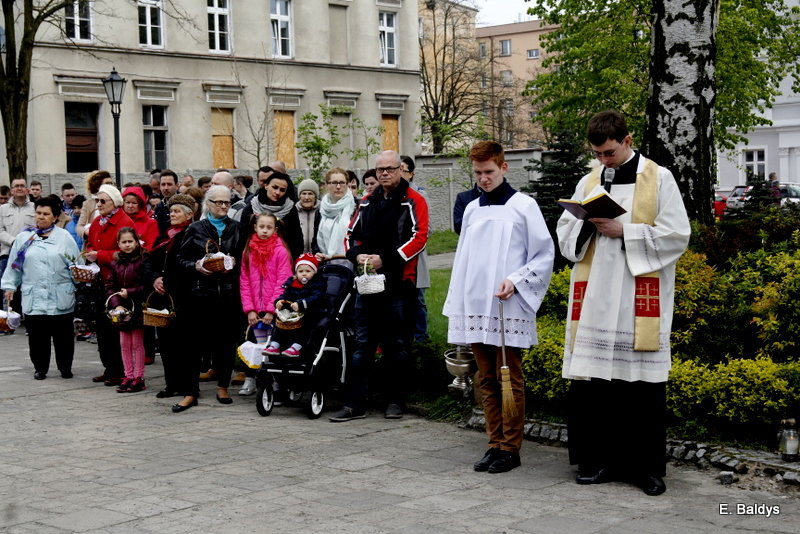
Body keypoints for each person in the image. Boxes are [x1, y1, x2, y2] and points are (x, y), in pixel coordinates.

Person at [557, 110, 690, 496]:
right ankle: (597, 462)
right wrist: (584, 222)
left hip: (637, 296)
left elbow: (677, 235)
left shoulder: (659, 178)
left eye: (610, 152)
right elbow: (566, 234)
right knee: (598, 386)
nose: (603, 161)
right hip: (597, 295)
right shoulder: (589, 179)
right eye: (598, 154)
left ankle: (645, 469)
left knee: (641, 388)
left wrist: (624, 231)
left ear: (628, 141)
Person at [445, 140, 554, 473]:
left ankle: (511, 446)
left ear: (503, 167)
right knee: (486, 377)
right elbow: (464, 259)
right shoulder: (473, 209)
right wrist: (460, 298)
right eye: (477, 173)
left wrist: (517, 279)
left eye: (489, 172)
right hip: (478, 302)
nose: (483, 179)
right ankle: (494, 442)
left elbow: (544, 254)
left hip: (508, 303)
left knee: (509, 377)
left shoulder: (524, 206)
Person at [331, 150, 429, 422]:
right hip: (366, 284)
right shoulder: (366, 202)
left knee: (396, 345)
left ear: (401, 170)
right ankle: (354, 404)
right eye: (380, 169)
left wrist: (385, 259)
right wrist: (357, 256)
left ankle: (395, 401)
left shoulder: (415, 200)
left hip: (399, 285)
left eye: (390, 168)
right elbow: (350, 235)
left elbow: (420, 237)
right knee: (362, 345)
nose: (384, 173)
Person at [173, 185, 246, 411]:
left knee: (225, 343)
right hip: (200, 294)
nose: (224, 206)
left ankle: (222, 386)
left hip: (228, 294)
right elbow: (180, 260)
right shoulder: (196, 229)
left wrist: (233, 265)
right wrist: (196, 266)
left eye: (227, 203)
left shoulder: (238, 228)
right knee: (193, 345)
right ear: (208, 204)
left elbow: (245, 259)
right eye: (219, 202)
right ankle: (190, 391)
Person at [1, 195, 79, 379]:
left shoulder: (65, 237)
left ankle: (65, 367)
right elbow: (14, 265)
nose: (41, 217)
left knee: (64, 337)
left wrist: (79, 281)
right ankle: (40, 367)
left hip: (60, 294)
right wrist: (10, 286)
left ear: (55, 217)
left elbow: (76, 264)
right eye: (38, 213)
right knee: (37, 337)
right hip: (33, 295)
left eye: (46, 214)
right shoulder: (24, 237)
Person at [142, 194, 197, 399]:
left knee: (185, 344)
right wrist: (155, 279)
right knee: (165, 344)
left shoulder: (192, 235)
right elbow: (148, 263)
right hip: (162, 298)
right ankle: (171, 384)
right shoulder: (164, 236)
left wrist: (171, 281)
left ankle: (188, 387)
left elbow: (190, 266)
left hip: (184, 298)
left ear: (189, 215)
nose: (172, 215)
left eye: (177, 211)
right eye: (171, 211)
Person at [85, 184, 135, 386]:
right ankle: (109, 367)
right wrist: (90, 252)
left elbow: (125, 251)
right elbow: (91, 243)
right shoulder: (98, 221)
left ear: (114, 202)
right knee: (103, 328)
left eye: (102, 201)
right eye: (97, 200)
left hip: (116, 281)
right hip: (99, 279)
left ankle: (120, 370)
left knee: (116, 328)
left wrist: (100, 256)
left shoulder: (124, 221)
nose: (99, 204)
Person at [238, 212, 293, 395]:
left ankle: (276, 382)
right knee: (255, 345)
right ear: (255, 227)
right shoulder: (249, 251)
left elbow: (282, 283)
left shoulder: (281, 251)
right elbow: (245, 282)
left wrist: (271, 310)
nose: (265, 231)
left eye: (269, 227)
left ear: (275, 229)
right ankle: (251, 378)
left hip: (272, 312)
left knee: (273, 347)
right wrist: (250, 310)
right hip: (255, 311)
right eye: (261, 227)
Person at [105, 227, 148, 393]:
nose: (128, 245)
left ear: (136, 242)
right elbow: (110, 286)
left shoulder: (143, 259)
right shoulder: (115, 263)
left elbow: (147, 285)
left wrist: (129, 292)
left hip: (137, 307)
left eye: (131, 241)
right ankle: (128, 375)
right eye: (124, 242)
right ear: (118, 244)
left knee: (137, 343)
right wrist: (117, 304)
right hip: (122, 310)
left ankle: (139, 376)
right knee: (124, 343)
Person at [264, 253, 325, 358]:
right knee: (279, 322)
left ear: (314, 272)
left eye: (308, 271)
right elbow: (285, 294)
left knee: (306, 325)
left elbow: (316, 297)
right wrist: (279, 301)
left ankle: (296, 347)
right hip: (293, 312)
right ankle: (275, 344)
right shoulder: (292, 283)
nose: (304, 274)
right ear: (296, 273)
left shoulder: (318, 283)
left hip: (310, 312)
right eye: (301, 271)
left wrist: (301, 304)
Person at [400, 155, 431, 342]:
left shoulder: (419, 195)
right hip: (394, 258)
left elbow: (426, 228)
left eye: (403, 170)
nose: (399, 173)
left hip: (415, 256)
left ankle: (421, 337)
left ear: (411, 174)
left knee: (417, 299)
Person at [239, 171, 303, 259]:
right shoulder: (251, 208)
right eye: (275, 187)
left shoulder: (290, 209)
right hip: (255, 258)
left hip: (281, 260)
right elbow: (243, 238)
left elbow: (296, 239)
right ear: (266, 186)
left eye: (282, 190)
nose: (277, 192)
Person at [0, 177, 35, 286]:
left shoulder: (35, 207)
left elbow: (38, 229)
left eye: (22, 186)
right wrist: (15, 242)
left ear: (27, 189)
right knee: (7, 287)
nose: (19, 188)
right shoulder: (2, 209)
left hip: (30, 253)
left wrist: (25, 243)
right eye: (16, 186)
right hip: (7, 254)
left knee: (27, 286)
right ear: (11, 190)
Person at [316, 168, 356, 259]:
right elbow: (316, 238)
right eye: (334, 183)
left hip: (351, 260)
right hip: (325, 260)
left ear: (347, 184)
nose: (338, 187)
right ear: (326, 185)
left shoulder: (355, 208)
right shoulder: (321, 209)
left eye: (342, 183)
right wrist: (319, 254)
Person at [77, 170, 114, 239]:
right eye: (107, 183)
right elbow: (79, 227)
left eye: (111, 183)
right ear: (98, 186)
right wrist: (86, 232)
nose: (111, 186)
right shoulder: (88, 204)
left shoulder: (116, 202)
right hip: (92, 241)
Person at [121, 186, 159, 251]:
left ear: (140, 205)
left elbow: (152, 246)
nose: (130, 206)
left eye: (134, 203)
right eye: (127, 202)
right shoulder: (118, 221)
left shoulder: (151, 223)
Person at [296, 179, 320, 254]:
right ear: (299, 196)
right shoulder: (293, 212)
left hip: (318, 256)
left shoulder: (323, 212)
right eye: (304, 193)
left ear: (315, 196)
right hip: (298, 258)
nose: (306, 197)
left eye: (310, 194)